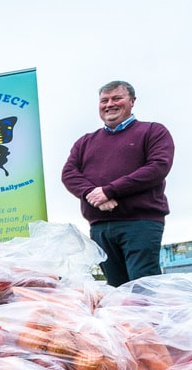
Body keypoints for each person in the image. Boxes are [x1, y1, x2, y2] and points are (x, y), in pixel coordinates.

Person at [62, 80, 174, 287]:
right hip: (100, 226)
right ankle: (124, 322)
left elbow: (157, 167)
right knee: (116, 290)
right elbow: (69, 174)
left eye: (117, 98)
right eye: (104, 100)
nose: (109, 104)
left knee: (143, 287)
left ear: (132, 101)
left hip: (140, 222)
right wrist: (93, 194)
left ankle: (149, 321)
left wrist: (109, 191)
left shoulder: (153, 132)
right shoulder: (85, 142)